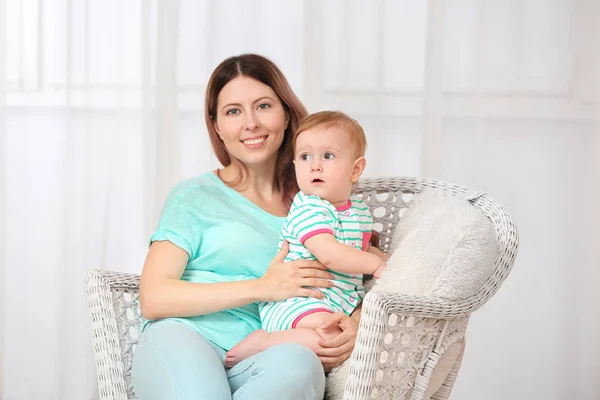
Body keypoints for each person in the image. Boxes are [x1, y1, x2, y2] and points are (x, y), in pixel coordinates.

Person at [131, 54, 363, 400]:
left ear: (286, 115)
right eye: (233, 111)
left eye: (264, 105)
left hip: (265, 354)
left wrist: (357, 323)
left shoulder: (320, 203)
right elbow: (153, 297)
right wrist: (262, 287)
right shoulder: (193, 196)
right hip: (187, 336)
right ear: (217, 127)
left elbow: (359, 273)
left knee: (300, 366)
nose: (251, 122)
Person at [225, 111, 387, 367]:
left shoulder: (357, 209)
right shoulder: (310, 208)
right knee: (327, 340)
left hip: (333, 303)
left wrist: (387, 261)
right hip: (297, 302)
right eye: (305, 156)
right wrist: (376, 266)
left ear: (355, 169)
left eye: (328, 156)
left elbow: (363, 247)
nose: (315, 165)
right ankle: (264, 342)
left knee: (343, 340)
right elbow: (329, 253)